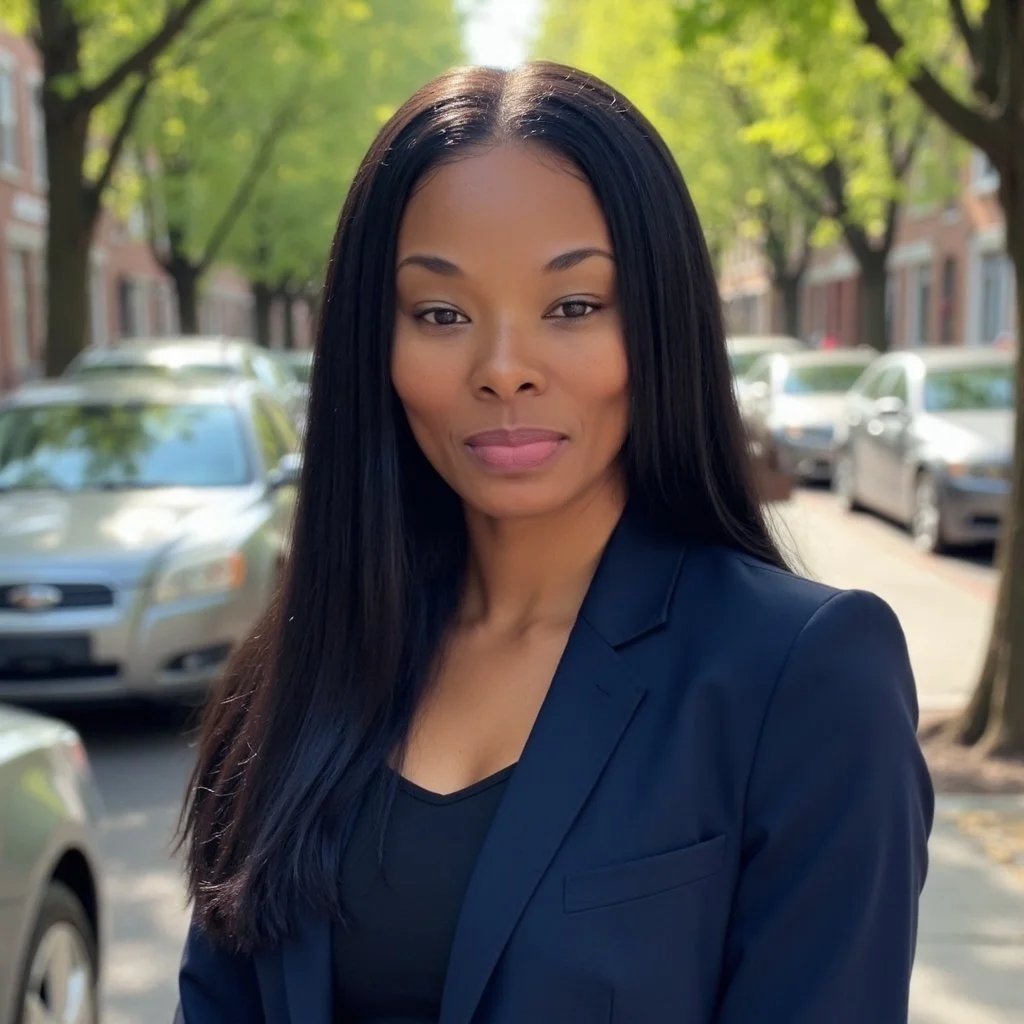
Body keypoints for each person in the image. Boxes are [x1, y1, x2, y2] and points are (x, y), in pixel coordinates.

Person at [175, 62, 933, 1024]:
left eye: (574, 306)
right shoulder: (299, 665)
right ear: (377, 345)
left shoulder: (803, 678)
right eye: (441, 314)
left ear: (658, 320)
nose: (504, 371)